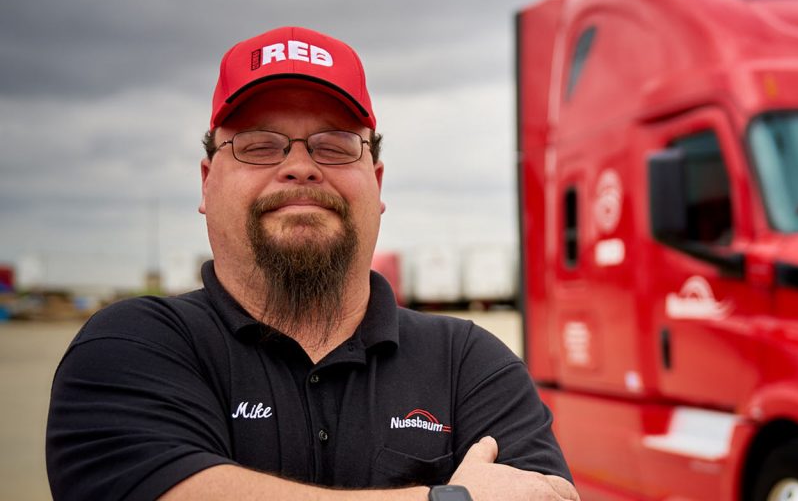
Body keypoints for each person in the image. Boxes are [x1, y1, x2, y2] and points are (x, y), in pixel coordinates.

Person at [46, 26, 578, 501]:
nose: (300, 166)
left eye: (336, 145)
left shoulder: (469, 365)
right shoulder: (132, 346)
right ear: (207, 182)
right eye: (258, 145)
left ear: (377, 181)